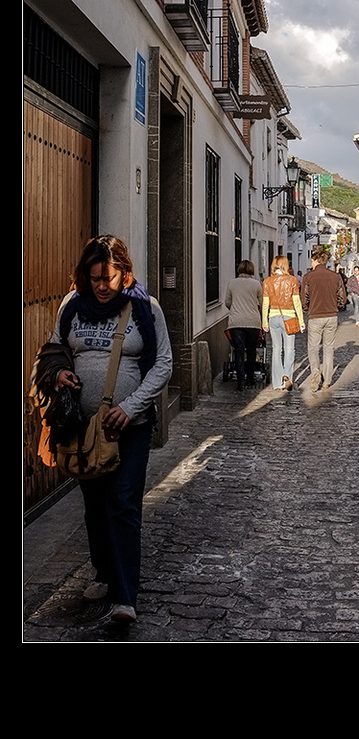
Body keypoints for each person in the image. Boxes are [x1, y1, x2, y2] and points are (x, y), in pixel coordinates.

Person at [32, 235, 173, 624]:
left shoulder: (146, 308)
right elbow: (55, 347)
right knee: (95, 505)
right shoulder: (72, 305)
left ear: (125, 273)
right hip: (81, 428)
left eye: (108, 278)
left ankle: (125, 596)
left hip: (130, 427)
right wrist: (59, 372)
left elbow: (163, 363)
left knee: (123, 504)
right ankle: (104, 571)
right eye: (93, 278)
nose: (101, 286)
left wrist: (130, 407)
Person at [301, 246, 346, 392]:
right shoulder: (335, 276)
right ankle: (327, 380)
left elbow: (304, 298)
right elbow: (342, 298)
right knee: (328, 348)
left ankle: (315, 372)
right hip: (331, 316)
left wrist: (308, 308)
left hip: (315, 316)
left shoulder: (308, 277)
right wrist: (336, 306)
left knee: (313, 348)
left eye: (312, 261)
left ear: (315, 260)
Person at [261, 256, 305, 390]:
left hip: (273, 317)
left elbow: (265, 304)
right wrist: (301, 321)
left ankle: (277, 383)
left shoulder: (267, 281)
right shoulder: (292, 281)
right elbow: (297, 302)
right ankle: (287, 374)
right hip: (289, 317)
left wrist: (264, 322)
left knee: (276, 349)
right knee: (290, 349)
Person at [224, 260, 263, 389]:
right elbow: (262, 303)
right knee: (252, 351)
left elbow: (227, 302)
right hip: (253, 322)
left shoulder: (232, 283)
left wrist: (236, 309)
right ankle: (250, 379)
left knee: (239, 351)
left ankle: (240, 381)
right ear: (252, 270)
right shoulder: (256, 284)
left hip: (236, 323)